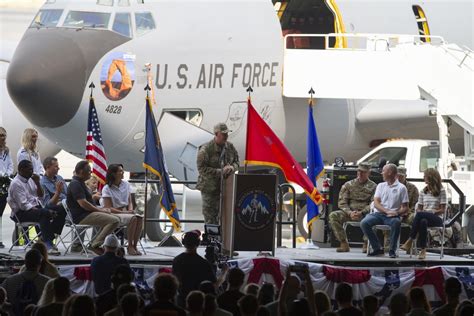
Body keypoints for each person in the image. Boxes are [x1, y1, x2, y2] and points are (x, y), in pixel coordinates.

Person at [8, 160, 65, 254]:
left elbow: (41, 196)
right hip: (21, 213)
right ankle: (48, 244)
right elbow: (24, 205)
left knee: (61, 209)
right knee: (43, 214)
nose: (32, 171)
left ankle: (44, 238)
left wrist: (38, 183)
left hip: (35, 209)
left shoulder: (30, 179)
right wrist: (43, 210)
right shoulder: (16, 183)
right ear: (21, 169)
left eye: (32, 169)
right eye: (30, 169)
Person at [66, 160, 119, 255]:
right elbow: (83, 204)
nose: (91, 172)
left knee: (111, 217)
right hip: (82, 216)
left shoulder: (80, 183)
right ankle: (95, 245)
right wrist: (100, 210)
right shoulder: (75, 184)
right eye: (89, 170)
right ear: (82, 171)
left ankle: (93, 243)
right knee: (114, 220)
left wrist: (102, 210)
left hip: (88, 214)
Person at [361, 163, 408, 258]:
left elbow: (405, 207)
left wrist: (396, 212)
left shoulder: (402, 188)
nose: (382, 173)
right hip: (378, 214)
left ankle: (392, 250)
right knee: (364, 223)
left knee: (396, 223)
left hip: (392, 216)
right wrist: (387, 211)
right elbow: (376, 203)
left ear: (390, 172)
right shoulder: (380, 186)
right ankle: (377, 248)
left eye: (383, 171)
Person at [196, 123, 239, 225]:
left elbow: (237, 162)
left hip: (226, 189)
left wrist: (232, 167)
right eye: (223, 134)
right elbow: (201, 169)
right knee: (211, 219)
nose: (226, 136)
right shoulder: (206, 149)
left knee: (227, 218)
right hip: (210, 190)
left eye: (227, 134)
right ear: (216, 134)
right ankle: (212, 239)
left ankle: (224, 240)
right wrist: (220, 171)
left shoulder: (230, 147)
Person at [328, 162, 376, 253]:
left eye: (363, 172)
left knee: (374, 217)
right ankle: (343, 243)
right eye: (359, 171)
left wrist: (362, 212)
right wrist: (350, 212)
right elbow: (342, 202)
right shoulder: (348, 185)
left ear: (369, 173)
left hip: (365, 213)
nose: (360, 174)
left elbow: (374, 203)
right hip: (350, 212)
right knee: (333, 215)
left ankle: (366, 243)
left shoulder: (374, 187)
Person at [401, 168, 447, 259]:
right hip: (424, 217)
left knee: (420, 216)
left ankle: (410, 239)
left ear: (431, 177)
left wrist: (431, 212)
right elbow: (419, 208)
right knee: (423, 221)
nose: (423, 177)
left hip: (437, 218)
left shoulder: (441, 191)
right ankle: (423, 250)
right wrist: (421, 212)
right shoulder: (423, 191)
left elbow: (442, 210)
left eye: (425, 176)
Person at [101, 164, 143, 256]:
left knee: (140, 218)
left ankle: (135, 245)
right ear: (113, 174)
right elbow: (109, 208)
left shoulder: (126, 184)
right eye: (120, 171)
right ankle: (130, 246)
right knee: (133, 218)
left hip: (126, 212)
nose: (123, 172)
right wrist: (126, 212)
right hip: (114, 213)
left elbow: (130, 201)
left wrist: (130, 210)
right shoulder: (107, 188)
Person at [172, 230, 216, 307]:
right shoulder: (203, 263)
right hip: (198, 302)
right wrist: (224, 274)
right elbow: (214, 285)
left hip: (181, 301)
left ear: (184, 243)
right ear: (198, 243)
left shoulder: (176, 260)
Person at [382, 166, 419, 250]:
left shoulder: (413, 188)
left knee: (416, 218)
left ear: (405, 176)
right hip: (392, 213)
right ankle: (388, 244)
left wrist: (405, 213)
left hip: (407, 214)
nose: (399, 178)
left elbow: (415, 205)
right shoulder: (389, 186)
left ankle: (411, 244)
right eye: (397, 176)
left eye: (401, 176)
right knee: (388, 217)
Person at [0, 127, 13, 249]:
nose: (2, 137)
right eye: (0, 135)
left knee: (0, 213)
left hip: (3, 185)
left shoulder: (6, 151)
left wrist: (7, 175)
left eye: (4, 135)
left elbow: (10, 165)